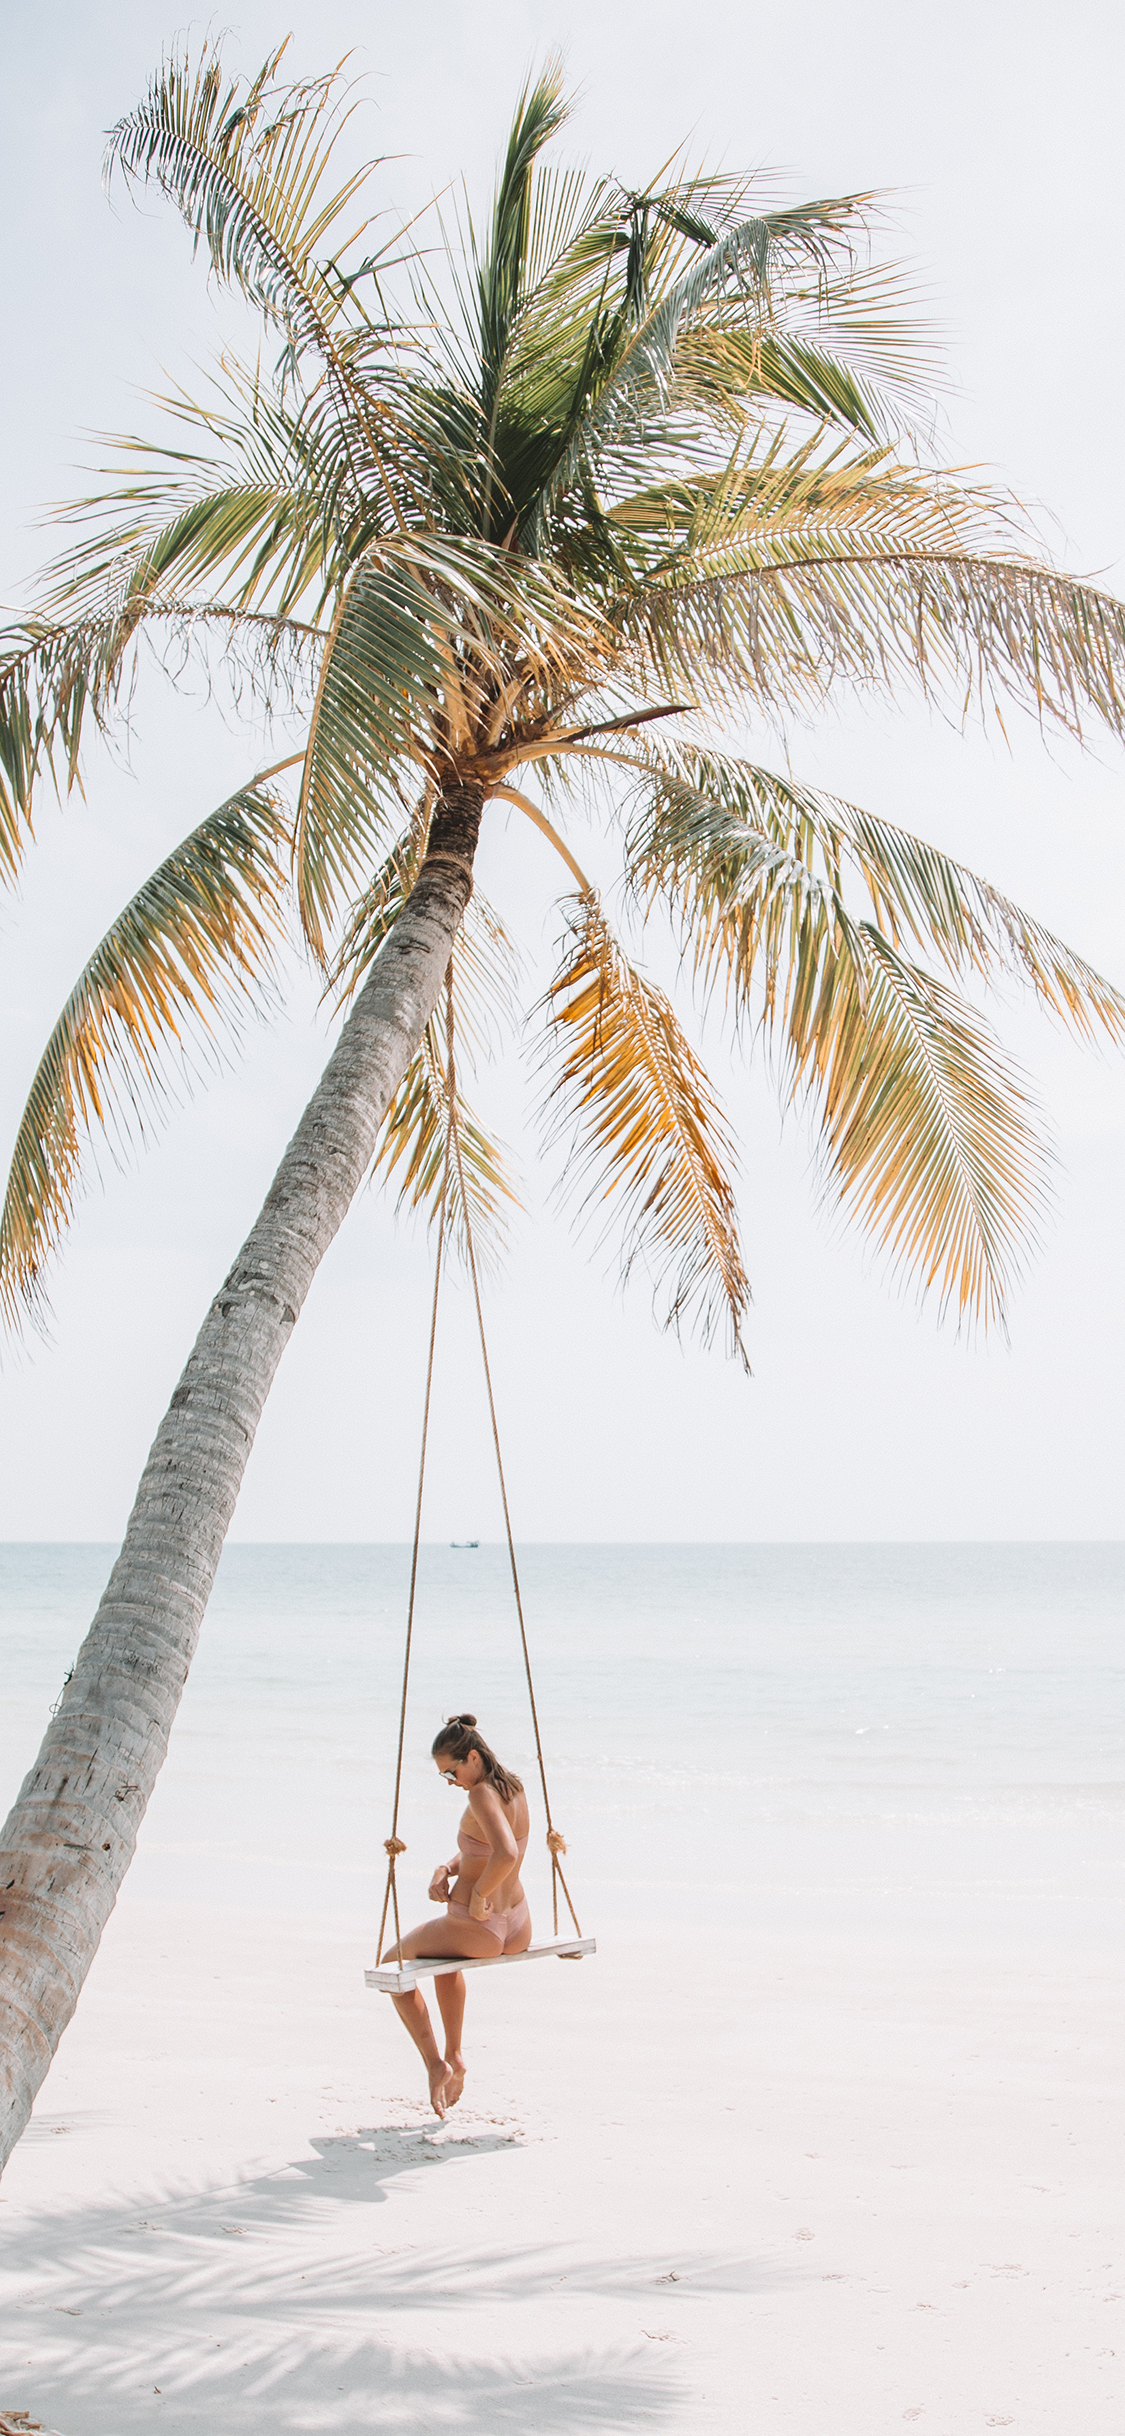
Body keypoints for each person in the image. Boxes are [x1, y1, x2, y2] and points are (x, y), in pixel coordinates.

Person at [385, 1713, 532, 2116]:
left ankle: (437, 2064)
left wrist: (480, 1894)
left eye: (452, 1773)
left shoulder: (479, 1794)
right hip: (517, 1925)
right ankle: (456, 2056)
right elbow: (484, 1846)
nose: (453, 1783)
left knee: (389, 1965)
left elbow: (506, 1853)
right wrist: (448, 1869)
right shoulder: (512, 1787)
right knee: (443, 1965)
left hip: (477, 1927)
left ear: (472, 1758)